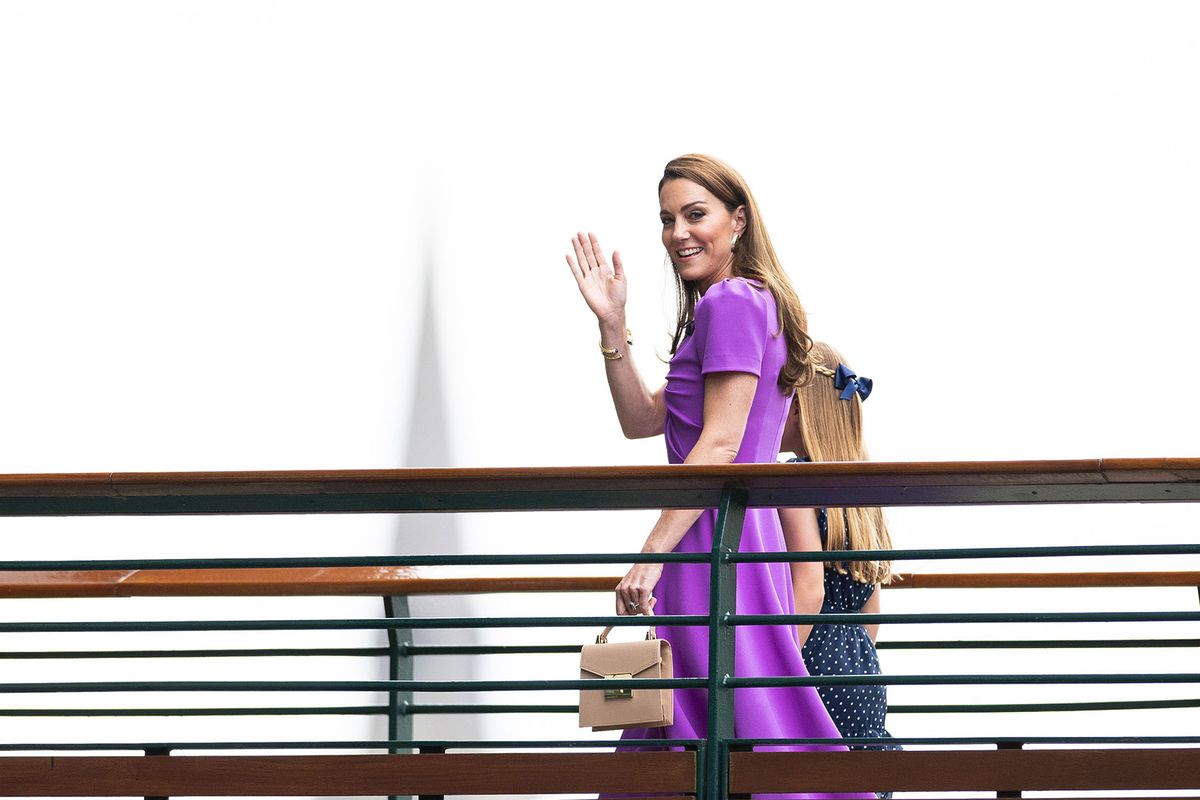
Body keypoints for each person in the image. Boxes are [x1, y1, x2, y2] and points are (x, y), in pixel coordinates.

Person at [567, 155, 869, 788]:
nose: (679, 233)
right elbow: (644, 420)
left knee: (711, 722)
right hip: (721, 535)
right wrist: (612, 326)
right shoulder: (740, 302)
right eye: (667, 219)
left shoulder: (732, 299)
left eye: (695, 215)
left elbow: (722, 443)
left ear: (738, 221)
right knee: (709, 716)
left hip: (711, 536)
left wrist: (650, 555)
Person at [779, 342, 898, 767]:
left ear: (799, 407)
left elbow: (807, 591)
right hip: (860, 668)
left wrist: (770, 674)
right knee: (852, 779)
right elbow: (871, 612)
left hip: (810, 658)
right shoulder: (860, 489)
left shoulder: (793, 480)